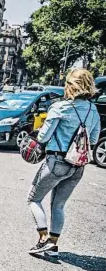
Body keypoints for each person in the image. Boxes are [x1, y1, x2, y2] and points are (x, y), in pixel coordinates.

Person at [27, 69, 101, 257]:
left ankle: (43, 239)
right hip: (78, 166)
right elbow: (92, 140)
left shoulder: (61, 107)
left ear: (71, 86)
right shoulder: (93, 110)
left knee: (34, 199)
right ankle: (53, 246)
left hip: (57, 162)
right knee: (58, 205)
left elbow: (43, 137)